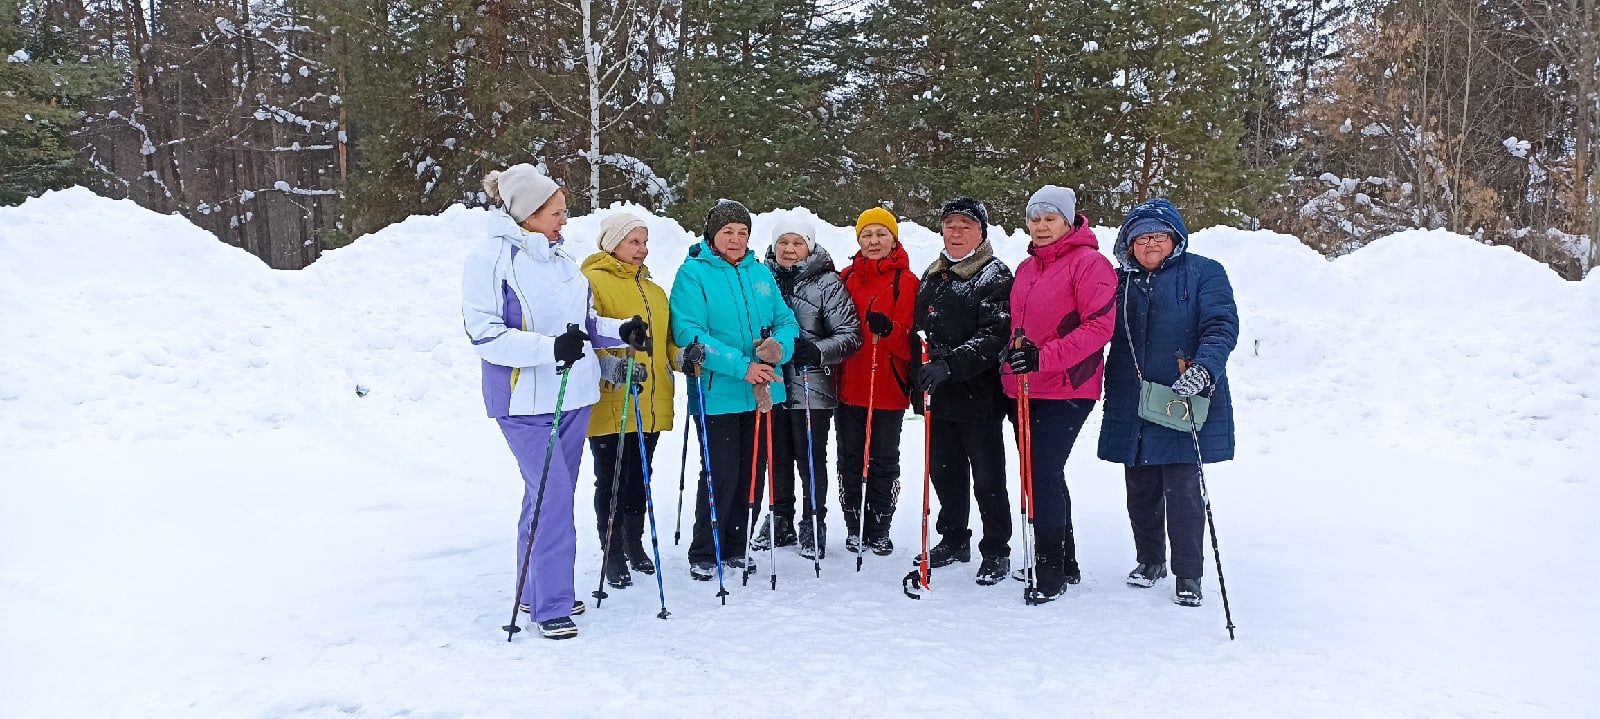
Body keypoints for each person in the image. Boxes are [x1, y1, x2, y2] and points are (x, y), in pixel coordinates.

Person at [462, 164, 650, 640]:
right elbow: (484, 334)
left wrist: (621, 330)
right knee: (553, 498)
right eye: (556, 213)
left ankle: (535, 589)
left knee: (544, 496)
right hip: (523, 401)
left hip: (574, 396)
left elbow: (585, 324)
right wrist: (547, 349)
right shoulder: (490, 259)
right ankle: (551, 604)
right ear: (527, 214)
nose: (564, 220)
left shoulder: (562, 260)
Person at [1098, 198, 1239, 607]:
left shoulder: (1204, 272)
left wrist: (1204, 369)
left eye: (1159, 236)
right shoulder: (1118, 281)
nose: (1150, 244)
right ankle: (1149, 560)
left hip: (1184, 397)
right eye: (1141, 238)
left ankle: (1188, 574)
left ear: (1176, 238)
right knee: (1140, 486)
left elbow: (1221, 325)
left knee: (1183, 490)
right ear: (1129, 245)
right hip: (1132, 396)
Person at [669, 200, 800, 581]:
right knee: (720, 473)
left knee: (751, 474)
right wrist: (742, 366)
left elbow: (786, 321)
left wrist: (778, 348)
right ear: (712, 235)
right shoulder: (693, 274)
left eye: (742, 232)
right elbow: (689, 332)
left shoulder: (760, 273)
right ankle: (706, 549)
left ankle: (735, 545)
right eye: (728, 232)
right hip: (717, 393)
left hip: (762, 393)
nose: (736, 239)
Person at [1000, 185, 1117, 603]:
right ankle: (1065, 561)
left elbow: (1098, 327)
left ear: (1068, 221)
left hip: (1068, 385)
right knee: (1042, 473)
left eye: (1050, 218)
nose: (1041, 226)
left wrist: (1042, 358)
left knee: (1042, 471)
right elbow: (1017, 325)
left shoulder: (1090, 264)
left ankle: (1050, 568)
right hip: (1023, 386)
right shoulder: (1027, 268)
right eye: (1035, 218)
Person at [911, 197, 1015, 586]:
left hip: (978, 395)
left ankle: (996, 549)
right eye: (950, 225)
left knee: (988, 478)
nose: (956, 233)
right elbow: (919, 331)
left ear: (981, 233)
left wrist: (951, 364)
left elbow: (994, 335)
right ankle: (954, 539)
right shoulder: (934, 273)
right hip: (938, 396)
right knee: (945, 473)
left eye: (965, 226)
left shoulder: (994, 275)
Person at [750, 219, 861, 560]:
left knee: (810, 456)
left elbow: (850, 335)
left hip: (811, 383)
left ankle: (814, 521)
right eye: (783, 242)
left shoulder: (827, 283)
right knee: (776, 454)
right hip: (770, 381)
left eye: (797, 243)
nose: (789, 249)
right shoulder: (759, 278)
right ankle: (780, 516)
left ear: (809, 247)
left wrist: (817, 350)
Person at [580, 213, 680, 590]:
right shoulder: (591, 281)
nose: (642, 249)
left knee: (640, 476)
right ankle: (612, 551)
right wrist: (612, 367)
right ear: (612, 243)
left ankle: (633, 543)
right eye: (633, 241)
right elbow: (585, 337)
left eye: (645, 242)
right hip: (613, 398)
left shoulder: (654, 291)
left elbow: (666, 342)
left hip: (650, 398)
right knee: (612, 478)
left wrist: (682, 357)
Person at [836, 208, 920, 555]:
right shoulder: (845, 278)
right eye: (866, 235)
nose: (873, 241)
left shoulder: (908, 282)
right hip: (849, 386)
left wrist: (890, 331)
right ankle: (854, 523)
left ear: (893, 240)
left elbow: (912, 344)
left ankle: (880, 525)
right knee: (850, 458)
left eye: (881, 234)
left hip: (887, 385)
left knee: (883, 460)